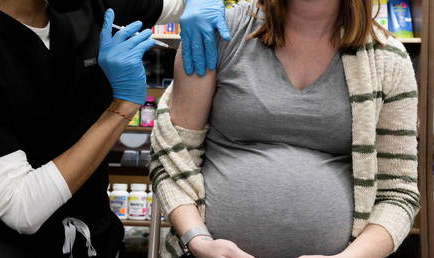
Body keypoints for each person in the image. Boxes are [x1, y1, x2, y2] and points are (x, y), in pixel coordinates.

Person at [150, 0, 421, 257]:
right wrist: (197, 240)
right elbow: (174, 156)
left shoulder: (387, 60)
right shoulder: (219, 32)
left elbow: (397, 194)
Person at [0, 0, 230, 257]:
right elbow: (20, 207)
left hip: (94, 237)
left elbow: (183, 4)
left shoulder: (95, 5)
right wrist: (122, 106)